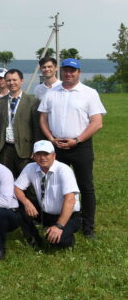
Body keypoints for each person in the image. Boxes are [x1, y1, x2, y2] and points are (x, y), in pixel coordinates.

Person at [38, 58, 105, 238]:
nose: (69, 74)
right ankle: (58, 221)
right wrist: (51, 138)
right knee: (55, 185)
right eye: (66, 70)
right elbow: (43, 119)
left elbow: (97, 123)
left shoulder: (89, 93)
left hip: (80, 146)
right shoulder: (51, 93)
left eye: (72, 71)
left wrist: (77, 139)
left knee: (86, 186)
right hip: (57, 146)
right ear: (61, 72)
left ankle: (88, 226)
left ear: (79, 72)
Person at [14, 140, 83, 249]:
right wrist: (26, 202)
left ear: (54, 155)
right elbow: (16, 188)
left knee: (57, 242)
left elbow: (70, 200)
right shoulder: (30, 168)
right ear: (34, 156)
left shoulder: (64, 170)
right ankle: (33, 238)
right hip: (45, 212)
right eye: (38, 154)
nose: (42, 158)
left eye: (46, 154)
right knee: (16, 203)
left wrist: (59, 226)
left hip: (68, 215)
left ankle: (67, 235)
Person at [0, 69, 40, 177]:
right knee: (5, 180)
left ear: (22, 81)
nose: (11, 83)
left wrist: (36, 148)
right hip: (4, 148)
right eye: (8, 80)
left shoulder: (32, 102)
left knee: (27, 182)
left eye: (14, 80)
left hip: (25, 149)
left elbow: (36, 128)